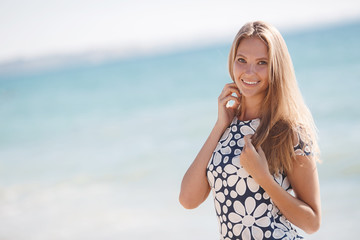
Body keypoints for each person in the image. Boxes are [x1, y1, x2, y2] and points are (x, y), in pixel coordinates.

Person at [179, 21, 321, 240]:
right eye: (242, 60)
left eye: (262, 62)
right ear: (232, 62)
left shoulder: (289, 131)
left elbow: (312, 222)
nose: (249, 71)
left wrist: (263, 177)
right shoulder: (225, 128)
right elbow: (188, 200)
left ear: (276, 67)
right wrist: (220, 126)